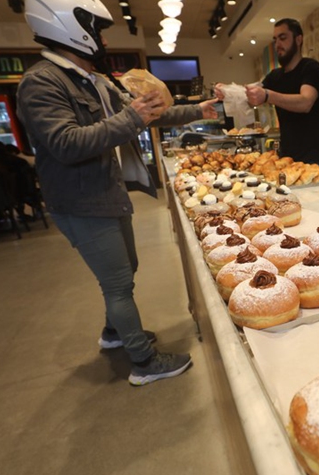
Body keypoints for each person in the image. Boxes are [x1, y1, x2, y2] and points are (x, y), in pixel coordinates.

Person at [16, 0, 218, 386]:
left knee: (127, 272)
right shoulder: (42, 81)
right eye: (97, 28)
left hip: (107, 194)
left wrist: (199, 110)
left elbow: (148, 114)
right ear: (71, 28)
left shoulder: (92, 79)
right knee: (118, 284)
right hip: (81, 202)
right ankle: (143, 362)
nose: (103, 37)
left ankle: (114, 334)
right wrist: (131, 117)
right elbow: (65, 142)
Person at [215, 18, 319, 165]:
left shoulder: (310, 67)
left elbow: (305, 102)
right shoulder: (275, 76)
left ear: (298, 39)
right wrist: (228, 92)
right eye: (275, 40)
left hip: (314, 157)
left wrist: (268, 95)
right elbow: (250, 95)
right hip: (287, 156)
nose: (277, 45)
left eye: (283, 38)